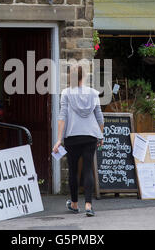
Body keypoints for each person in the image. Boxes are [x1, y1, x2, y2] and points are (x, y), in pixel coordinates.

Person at [53, 64, 104, 217]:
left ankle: (74, 204)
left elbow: (62, 117)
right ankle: (88, 206)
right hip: (90, 136)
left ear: (71, 77)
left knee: (73, 170)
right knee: (88, 169)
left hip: (72, 136)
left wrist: (58, 140)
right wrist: (100, 135)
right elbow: (99, 117)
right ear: (84, 76)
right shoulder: (94, 93)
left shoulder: (66, 93)